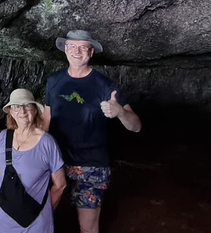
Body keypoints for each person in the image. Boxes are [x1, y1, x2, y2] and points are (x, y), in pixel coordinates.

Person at [42, 30, 142, 233]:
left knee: (87, 226)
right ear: (65, 50)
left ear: (92, 52)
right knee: (46, 217)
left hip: (92, 165)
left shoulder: (105, 85)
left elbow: (136, 126)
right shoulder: (54, 81)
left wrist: (120, 112)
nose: (76, 51)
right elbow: (46, 118)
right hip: (57, 160)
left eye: (83, 47)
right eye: (72, 46)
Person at [0, 89, 66, 233]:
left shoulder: (47, 142)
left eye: (27, 105)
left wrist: (42, 213)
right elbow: (1, 171)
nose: (22, 111)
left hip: (33, 226)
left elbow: (60, 185)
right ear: (10, 111)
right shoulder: (4, 137)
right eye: (16, 106)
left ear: (35, 110)